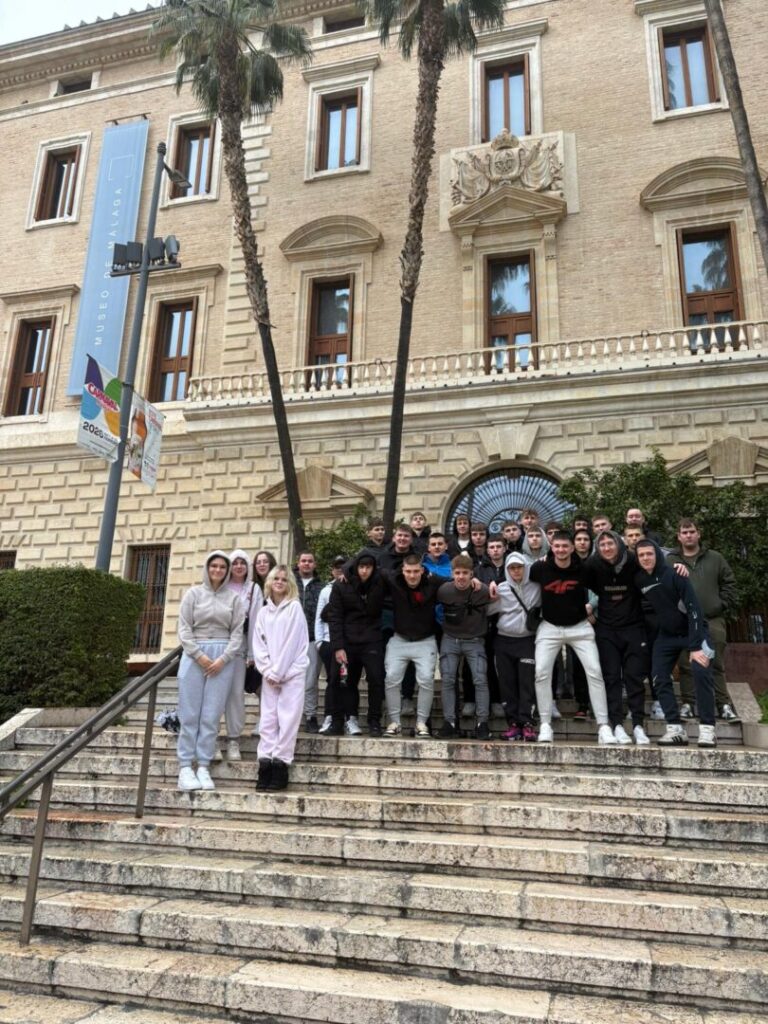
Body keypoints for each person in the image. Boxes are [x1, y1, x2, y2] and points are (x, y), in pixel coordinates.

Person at [529, 532, 615, 745]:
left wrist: (594, 611)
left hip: (580, 627)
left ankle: (604, 726)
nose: (560, 550)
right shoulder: (540, 568)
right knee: (541, 673)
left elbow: (604, 590)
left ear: (572, 548)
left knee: (595, 672)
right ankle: (545, 725)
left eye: (564, 546)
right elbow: (519, 580)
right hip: (549, 627)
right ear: (551, 547)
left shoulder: (584, 569)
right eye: (557, 546)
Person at [634, 539, 717, 747]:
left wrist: (696, 646)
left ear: (657, 554)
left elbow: (694, 609)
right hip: (667, 636)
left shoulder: (676, 574)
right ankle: (675, 729)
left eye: (649, 554)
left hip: (694, 631)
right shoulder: (639, 579)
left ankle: (708, 730)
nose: (645, 558)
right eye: (641, 555)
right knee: (658, 677)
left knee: (701, 671)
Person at [176, 551, 245, 792]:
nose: (217, 570)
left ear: (227, 571)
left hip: (222, 659)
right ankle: (185, 766)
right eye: (213, 566)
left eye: (222, 567)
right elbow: (184, 628)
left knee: (211, 714)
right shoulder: (193, 594)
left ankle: (203, 765)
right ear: (207, 568)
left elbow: (237, 633)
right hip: (195, 656)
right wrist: (199, 655)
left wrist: (223, 659)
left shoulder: (234, 599)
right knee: (190, 713)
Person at [665, 518, 739, 722]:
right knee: (686, 664)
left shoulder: (715, 558)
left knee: (716, 663)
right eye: (684, 532)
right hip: (684, 621)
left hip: (712, 619)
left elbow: (729, 584)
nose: (688, 535)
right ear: (679, 536)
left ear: (698, 533)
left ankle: (723, 705)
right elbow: (664, 587)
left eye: (691, 531)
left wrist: (720, 604)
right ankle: (688, 704)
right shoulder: (671, 560)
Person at [583, 531, 651, 745]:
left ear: (619, 544)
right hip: (606, 629)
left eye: (610, 543)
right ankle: (617, 725)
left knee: (634, 677)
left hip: (634, 627)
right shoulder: (593, 564)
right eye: (602, 544)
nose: (606, 548)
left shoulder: (633, 560)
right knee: (611, 678)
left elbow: (654, 569)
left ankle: (638, 725)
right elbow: (578, 580)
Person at [252, 565, 310, 790]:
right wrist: (267, 670)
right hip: (270, 677)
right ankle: (265, 762)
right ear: (269, 581)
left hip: (292, 673)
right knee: (268, 720)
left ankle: (281, 765)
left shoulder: (294, 608)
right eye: (276, 578)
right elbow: (259, 644)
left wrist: (278, 672)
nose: (279, 582)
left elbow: (292, 644)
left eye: (284, 579)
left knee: (287, 720)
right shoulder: (263, 612)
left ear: (289, 584)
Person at [382, 553, 442, 737]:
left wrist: (475, 581)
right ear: (403, 571)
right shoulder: (394, 581)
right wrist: (345, 572)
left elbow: (455, 580)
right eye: (408, 571)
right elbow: (371, 566)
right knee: (391, 678)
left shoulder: (433, 583)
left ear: (422, 570)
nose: (412, 575)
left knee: (426, 680)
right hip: (399, 639)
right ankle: (395, 722)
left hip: (425, 640)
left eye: (416, 571)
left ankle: (421, 723)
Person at [327, 552, 386, 736]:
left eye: (368, 567)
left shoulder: (381, 581)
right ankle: (339, 721)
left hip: (372, 638)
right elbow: (334, 617)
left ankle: (374, 721)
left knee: (376, 679)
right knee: (341, 681)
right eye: (361, 567)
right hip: (347, 640)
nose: (364, 571)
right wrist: (338, 647)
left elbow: (398, 574)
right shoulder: (341, 584)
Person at [438, 554, 492, 739]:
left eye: (465, 573)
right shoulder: (444, 590)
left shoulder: (482, 590)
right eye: (457, 573)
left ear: (471, 574)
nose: (461, 577)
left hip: (475, 640)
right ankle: (450, 722)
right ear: (452, 573)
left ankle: (482, 722)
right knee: (447, 679)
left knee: (480, 679)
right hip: (450, 639)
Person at [489, 552, 540, 741]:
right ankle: (512, 724)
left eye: (519, 567)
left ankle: (527, 723)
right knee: (507, 684)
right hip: (504, 640)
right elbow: (488, 610)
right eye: (512, 568)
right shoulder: (501, 588)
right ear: (507, 570)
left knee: (527, 683)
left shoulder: (536, 586)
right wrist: (490, 592)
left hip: (527, 640)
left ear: (525, 567)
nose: (516, 571)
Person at [222, 548, 263, 761]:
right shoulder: (221, 586)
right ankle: (210, 738)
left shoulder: (254, 589)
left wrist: (253, 653)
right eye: (235, 563)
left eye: (242, 563)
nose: (238, 566)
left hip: (240, 648)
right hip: (218, 647)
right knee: (214, 694)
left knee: (236, 693)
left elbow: (256, 620)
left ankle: (233, 739)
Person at [315, 556, 350, 735]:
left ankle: (347, 718)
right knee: (332, 681)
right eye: (337, 568)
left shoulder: (352, 587)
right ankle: (330, 715)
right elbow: (319, 618)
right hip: (328, 642)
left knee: (343, 681)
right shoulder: (325, 591)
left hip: (347, 642)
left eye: (343, 568)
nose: (339, 571)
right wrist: (319, 642)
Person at [293, 551, 325, 732]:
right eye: (303, 561)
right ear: (298, 563)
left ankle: (311, 716)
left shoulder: (322, 587)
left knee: (311, 680)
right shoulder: (289, 583)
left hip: (312, 638)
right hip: (291, 640)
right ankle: (290, 716)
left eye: (310, 561)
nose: (306, 564)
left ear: (315, 564)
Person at [476, 534, 507, 717]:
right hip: (487, 623)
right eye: (492, 547)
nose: (495, 550)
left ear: (504, 548)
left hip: (509, 622)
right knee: (487, 663)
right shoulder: (480, 570)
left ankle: (504, 699)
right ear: (487, 550)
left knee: (504, 664)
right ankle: (493, 700)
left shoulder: (512, 566)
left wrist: (498, 582)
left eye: (498, 546)